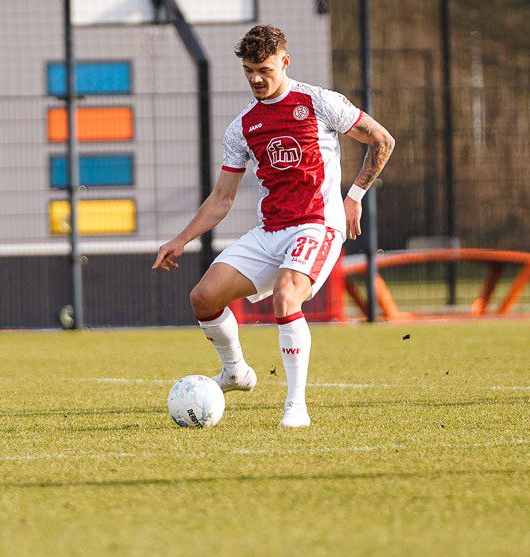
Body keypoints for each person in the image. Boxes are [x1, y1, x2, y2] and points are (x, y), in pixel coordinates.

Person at [153, 24, 396, 428]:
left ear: (284, 62)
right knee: (203, 297)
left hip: (317, 224)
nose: (255, 78)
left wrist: (353, 197)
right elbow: (222, 199)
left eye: (264, 68)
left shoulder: (319, 102)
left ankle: (295, 406)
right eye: (248, 70)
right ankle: (235, 373)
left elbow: (381, 140)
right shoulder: (243, 126)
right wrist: (181, 239)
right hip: (271, 230)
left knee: (286, 299)